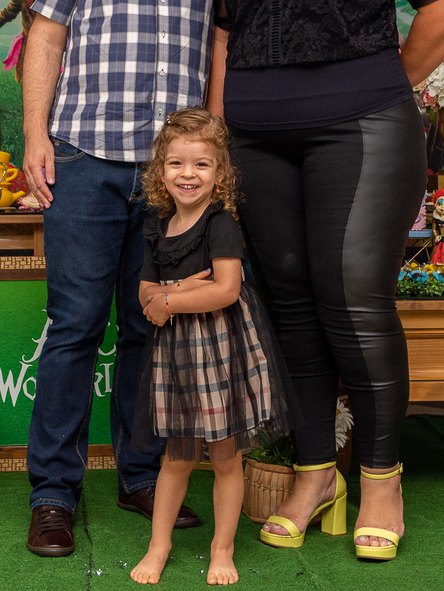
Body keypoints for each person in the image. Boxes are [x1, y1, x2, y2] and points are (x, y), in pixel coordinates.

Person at [206, 0, 444, 562]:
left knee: (354, 300)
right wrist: (218, 131)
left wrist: (387, 85)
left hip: (360, 132)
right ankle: (316, 472)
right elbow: (225, 34)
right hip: (257, 138)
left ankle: (382, 478)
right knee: (289, 306)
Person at [21, 0, 216, 558]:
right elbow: (45, 37)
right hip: (86, 158)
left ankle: (140, 476)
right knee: (74, 326)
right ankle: (52, 494)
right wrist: (34, 134)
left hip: (175, 177)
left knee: (150, 325)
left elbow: (224, 50)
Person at [130, 108, 293, 586]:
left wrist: (169, 300)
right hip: (175, 356)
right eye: (177, 163)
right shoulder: (158, 225)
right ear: (161, 171)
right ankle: (159, 545)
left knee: (225, 457)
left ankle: (222, 548)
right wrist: (172, 293)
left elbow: (225, 290)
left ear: (220, 173)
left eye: (201, 164)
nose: (189, 174)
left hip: (221, 352)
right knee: (176, 457)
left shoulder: (220, 224)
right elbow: (143, 292)